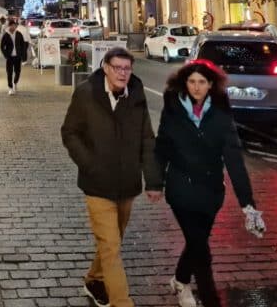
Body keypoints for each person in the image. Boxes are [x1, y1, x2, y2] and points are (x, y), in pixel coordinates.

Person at [154, 59, 266, 307]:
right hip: (180, 189)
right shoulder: (173, 109)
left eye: (201, 82)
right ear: (184, 83)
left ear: (211, 85)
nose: (196, 87)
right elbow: (162, 146)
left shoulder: (221, 113)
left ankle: (180, 279)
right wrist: (154, 182)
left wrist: (247, 204)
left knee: (197, 242)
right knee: (200, 248)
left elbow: (234, 158)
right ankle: (210, 299)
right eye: (191, 82)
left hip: (211, 192)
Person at [61, 47, 163, 307]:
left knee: (112, 242)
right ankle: (122, 302)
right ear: (105, 67)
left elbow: (147, 139)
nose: (122, 73)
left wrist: (152, 181)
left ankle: (94, 279)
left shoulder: (136, 94)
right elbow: (69, 132)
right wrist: (88, 163)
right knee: (111, 246)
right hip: (97, 183)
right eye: (117, 67)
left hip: (127, 184)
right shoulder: (86, 93)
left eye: (127, 68)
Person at [0, 19, 27, 95]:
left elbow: (23, 45)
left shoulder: (19, 34)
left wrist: (22, 55)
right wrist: (6, 55)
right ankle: (10, 88)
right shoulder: (6, 35)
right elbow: (2, 46)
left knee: (18, 72)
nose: (14, 27)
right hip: (10, 57)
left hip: (18, 56)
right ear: (9, 26)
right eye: (13, 25)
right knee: (9, 72)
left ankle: (15, 83)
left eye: (15, 25)